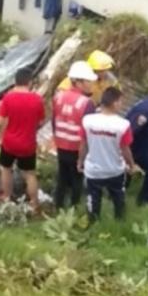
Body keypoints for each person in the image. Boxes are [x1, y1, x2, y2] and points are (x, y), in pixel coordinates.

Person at [78, 87, 136, 223]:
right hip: (114, 170)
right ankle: (120, 223)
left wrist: (80, 161)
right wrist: (131, 165)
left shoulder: (87, 121)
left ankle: (93, 223)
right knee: (118, 197)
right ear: (115, 103)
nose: (122, 104)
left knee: (93, 198)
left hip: (94, 170)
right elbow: (126, 149)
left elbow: (83, 144)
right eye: (121, 101)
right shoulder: (123, 125)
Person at [0, 67, 46, 211]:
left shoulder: (8, 98)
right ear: (29, 82)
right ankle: (34, 203)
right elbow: (40, 122)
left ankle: (6, 199)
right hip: (28, 144)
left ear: (15, 81)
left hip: (9, 143)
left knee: (6, 169)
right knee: (29, 174)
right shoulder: (37, 100)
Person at [51, 61, 98, 209]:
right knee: (77, 179)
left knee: (62, 177)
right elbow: (89, 131)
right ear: (78, 82)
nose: (91, 84)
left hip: (61, 144)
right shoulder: (87, 103)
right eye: (88, 81)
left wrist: (57, 139)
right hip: (77, 147)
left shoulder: (58, 96)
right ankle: (74, 208)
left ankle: (57, 206)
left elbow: (54, 121)